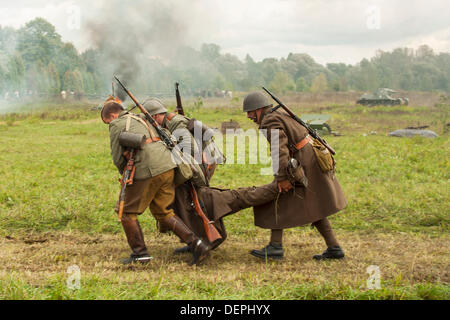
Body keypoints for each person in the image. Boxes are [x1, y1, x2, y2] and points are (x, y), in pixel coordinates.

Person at [100, 96, 210, 266]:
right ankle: (197, 244)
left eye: (107, 122)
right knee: (163, 212)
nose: (109, 125)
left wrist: (126, 175)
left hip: (148, 170)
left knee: (126, 212)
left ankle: (140, 254)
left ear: (112, 116)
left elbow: (117, 157)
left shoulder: (117, 124)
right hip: (168, 167)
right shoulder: (142, 118)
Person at [238, 91, 348, 260]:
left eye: (251, 111)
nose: (249, 116)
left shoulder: (270, 121)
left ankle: (275, 247)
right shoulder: (279, 115)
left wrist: (282, 178)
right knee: (314, 204)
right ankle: (334, 247)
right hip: (309, 159)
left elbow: (279, 150)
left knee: (277, 197)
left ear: (260, 109)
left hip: (304, 162)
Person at [142, 98, 227, 253]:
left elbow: (191, 152)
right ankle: (194, 241)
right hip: (198, 163)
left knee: (194, 202)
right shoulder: (170, 122)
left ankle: (207, 239)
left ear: (153, 117)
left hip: (202, 164)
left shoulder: (176, 124)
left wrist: (187, 177)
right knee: (186, 202)